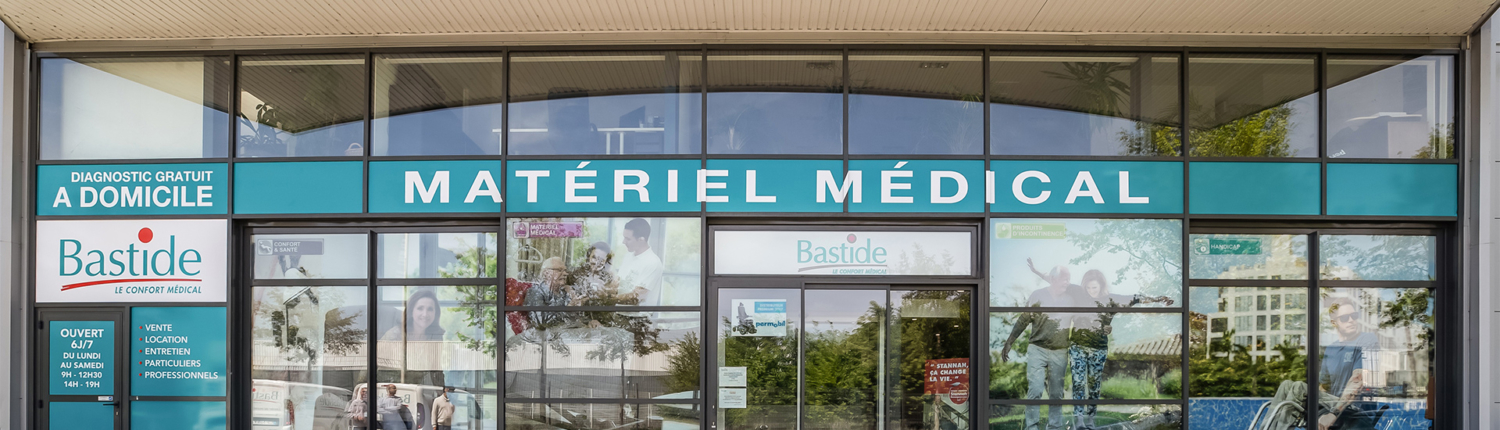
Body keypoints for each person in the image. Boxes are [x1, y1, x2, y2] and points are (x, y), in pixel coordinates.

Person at [1066, 269, 1173, 429]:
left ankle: (1090, 421)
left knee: (1094, 385)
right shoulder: (1079, 296)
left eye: (1094, 288)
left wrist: (1157, 299)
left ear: (1101, 286)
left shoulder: (1111, 299)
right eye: (1088, 288)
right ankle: (1079, 422)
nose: (1091, 292)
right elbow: (1057, 282)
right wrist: (1039, 273)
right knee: (1079, 383)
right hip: (1077, 347)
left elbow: (1135, 298)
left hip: (1098, 348)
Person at [1000, 258, 1085, 430]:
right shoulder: (1037, 295)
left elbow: (1082, 321)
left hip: (1060, 351)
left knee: (1056, 394)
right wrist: (1009, 342)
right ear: (1053, 279)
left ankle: (1053, 427)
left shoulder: (1071, 300)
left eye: (1069, 279)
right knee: (1036, 390)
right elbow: (1023, 319)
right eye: (1064, 279)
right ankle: (1031, 427)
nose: (1068, 282)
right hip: (1037, 349)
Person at [1317, 297, 1380, 430]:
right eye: (1345, 318)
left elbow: (1358, 382)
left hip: (1354, 414)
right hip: (1334, 413)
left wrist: (1333, 414)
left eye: (1354, 316)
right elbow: (1324, 387)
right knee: (1291, 389)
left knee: (1294, 388)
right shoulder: (1331, 349)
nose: (1351, 320)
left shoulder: (1367, 340)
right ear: (1334, 322)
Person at [382, 288, 448, 387]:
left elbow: (437, 371)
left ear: (436, 313)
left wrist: (443, 395)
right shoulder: (395, 335)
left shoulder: (435, 337)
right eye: (420, 308)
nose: (425, 314)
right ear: (411, 311)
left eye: (430, 309)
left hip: (417, 390)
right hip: (391, 389)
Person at [616, 218, 664, 306]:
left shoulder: (653, 262)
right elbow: (617, 284)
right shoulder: (628, 256)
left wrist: (607, 299)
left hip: (638, 318)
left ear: (641, 239)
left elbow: (636, 297)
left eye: (628, 239)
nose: (623, 242)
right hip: (619, 314)